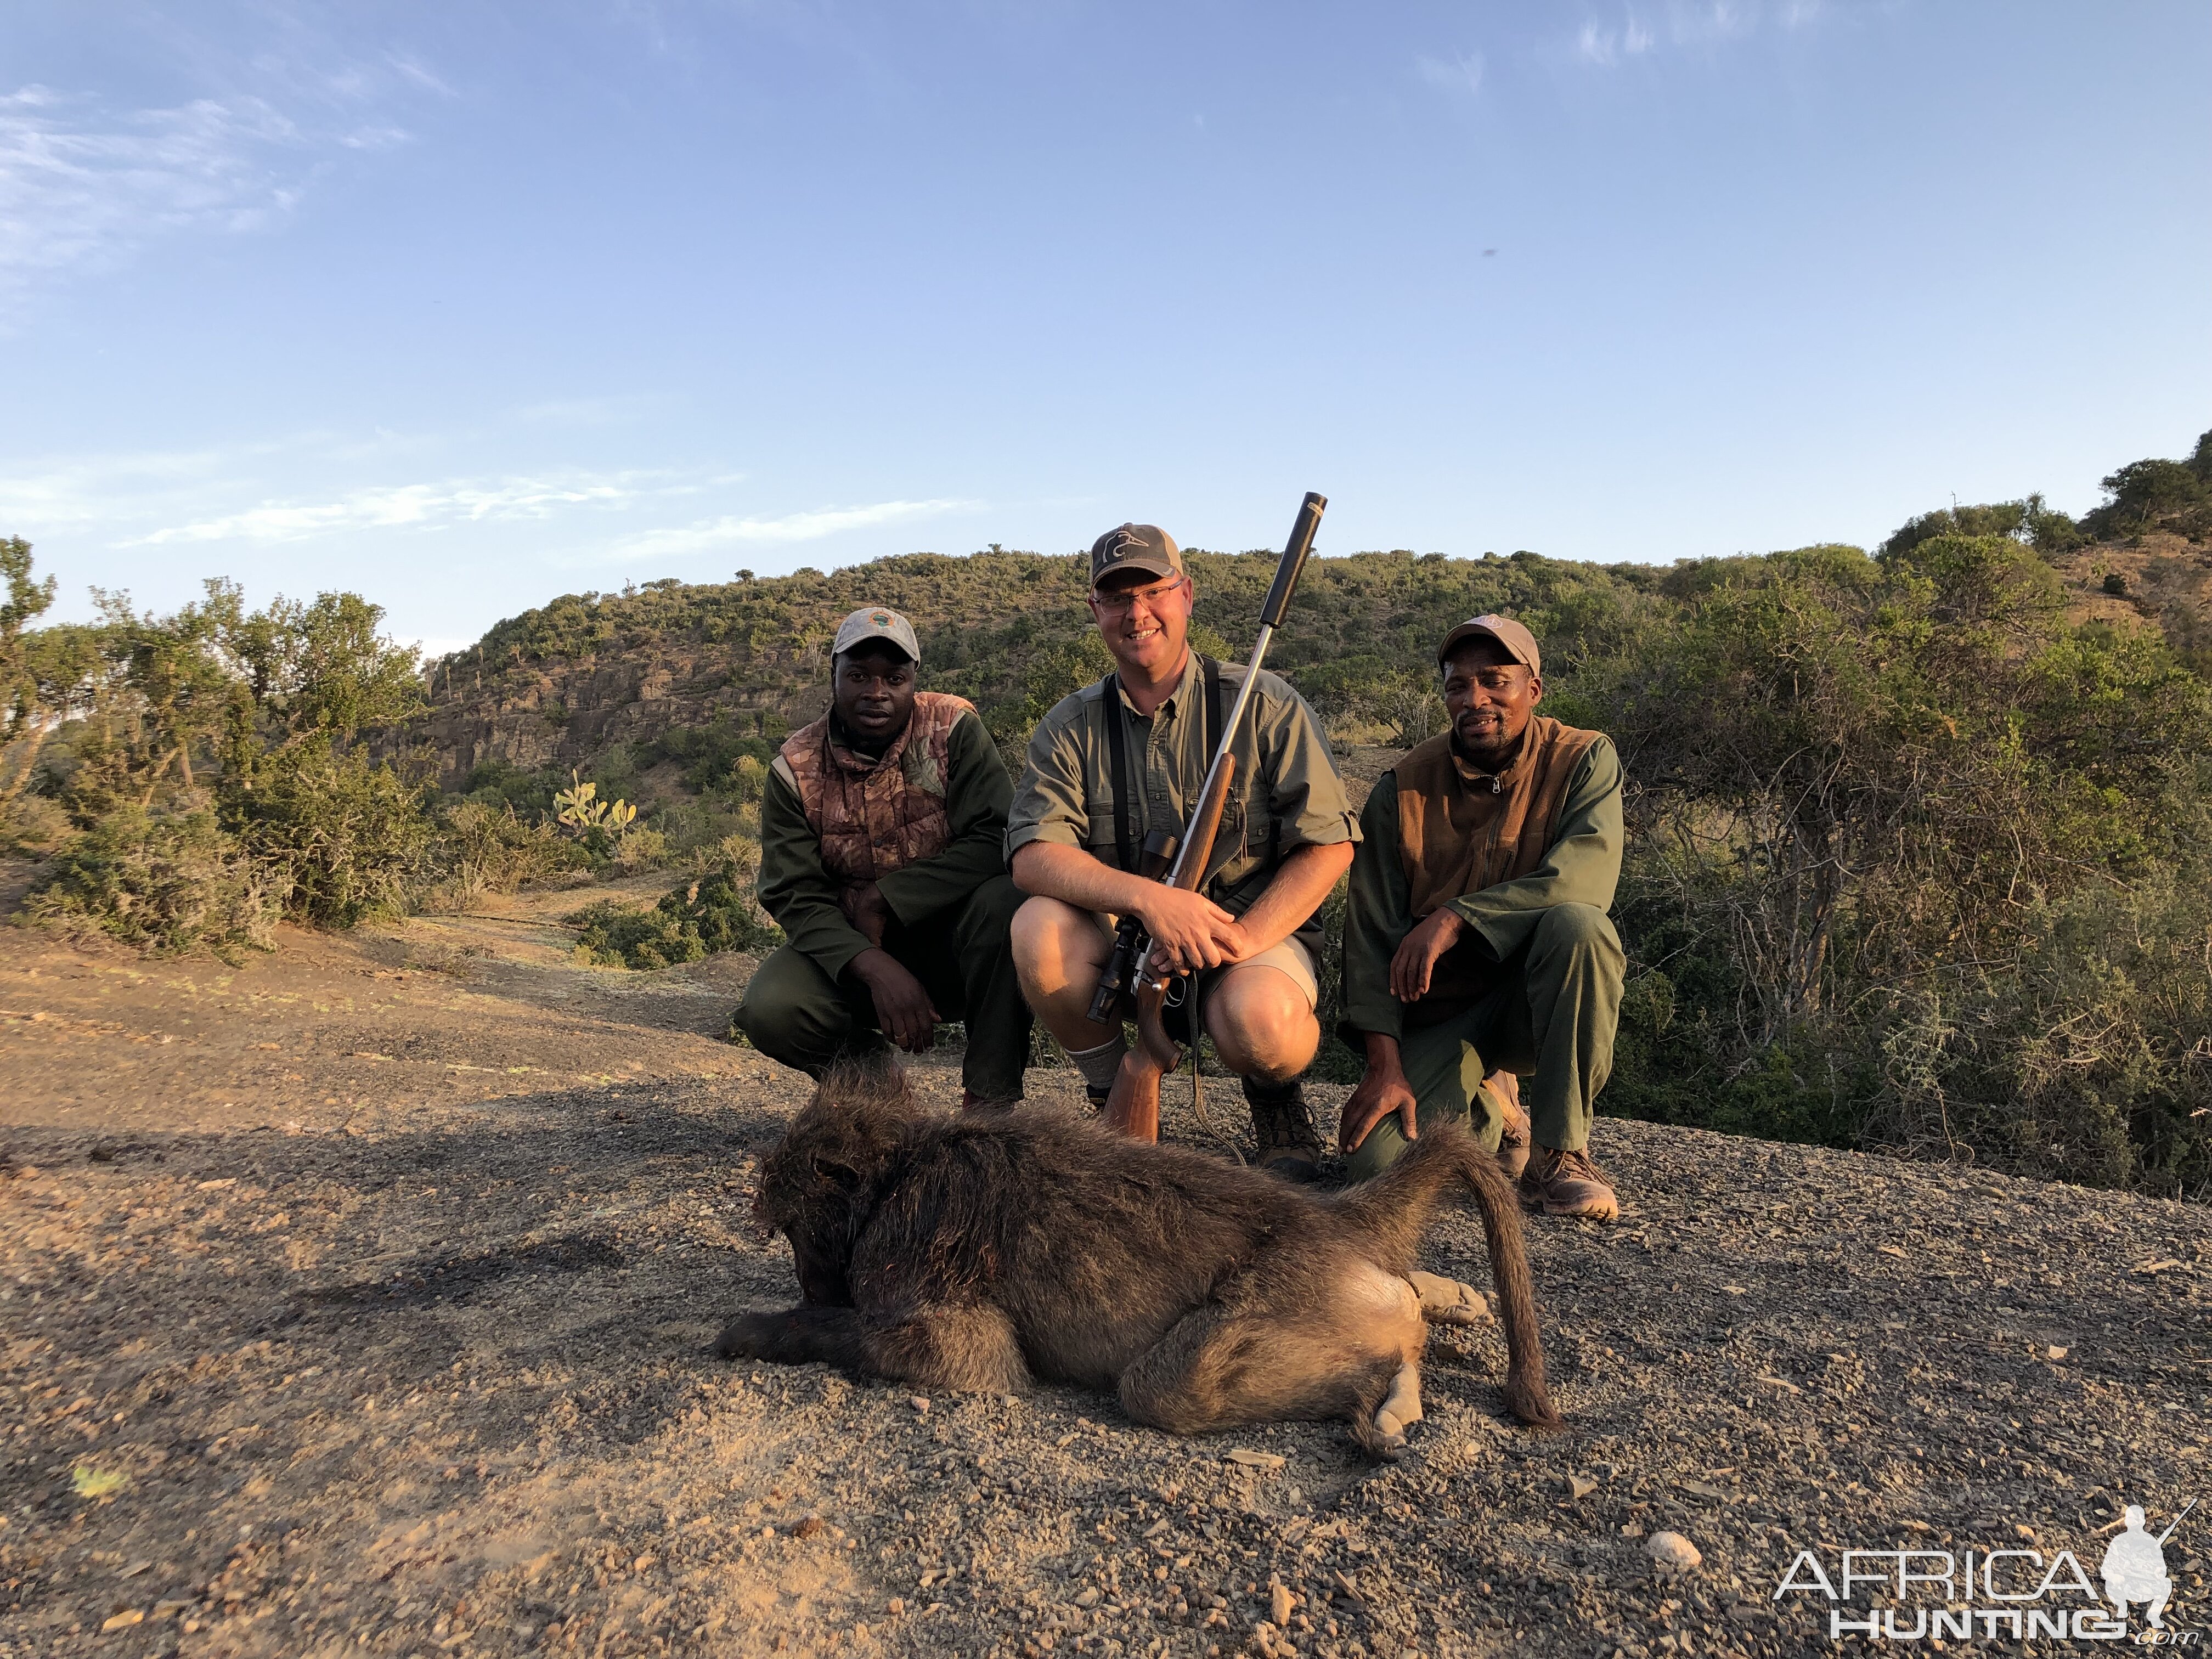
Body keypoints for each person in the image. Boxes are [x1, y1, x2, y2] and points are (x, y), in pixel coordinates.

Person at [1006, 523, 1358, 1180]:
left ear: (1186, 594)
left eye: (1153, 590)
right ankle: (1117, 1098)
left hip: (1251, 940)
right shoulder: (1070, 724)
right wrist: (1151, 901)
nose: (1137, 613)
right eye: (1116, 598)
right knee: (1037, 931)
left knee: (1263, 1026)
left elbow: (1331, 847)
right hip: (1135, 944)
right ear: (1095, 612)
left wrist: (1236, 938)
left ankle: (1275, 1099)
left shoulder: (1266, 705)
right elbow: (1032, 856)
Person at [1336, 614, 1627, 1219]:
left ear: (1534, 689)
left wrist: (1455, 918)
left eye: (1495, 681)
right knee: (1378, 1166)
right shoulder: (1402, 787)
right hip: (1446, 1012)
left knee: (1581, 928)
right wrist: (1384, 1065)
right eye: (1457, 686)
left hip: (1531, 1002)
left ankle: (1559, 1154)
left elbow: (1583, 880)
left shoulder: (1583, 759)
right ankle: (1493, 1101)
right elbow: (1369, 933)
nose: (1475, 700)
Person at [732, 606, 1031, 1107]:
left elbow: (997, 836)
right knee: (772, 1007)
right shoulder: (793, 769)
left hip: (957, 941)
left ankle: (990, 1105)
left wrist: (886, 898)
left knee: (1009, 903)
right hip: (855, 947)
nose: (877, 692)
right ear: (834, 677)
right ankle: (874, 1086)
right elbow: (794, 894)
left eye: (894, 678)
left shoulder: (953, 729)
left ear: (914, 680)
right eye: (859, 676)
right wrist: (872, 965)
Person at [2101, 1506, 2174, 1629]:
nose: (2135, 1521)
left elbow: (2162, 1568)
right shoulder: (2118, 1541)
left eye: (2138, 1518)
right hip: (2123, 1585)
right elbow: (2105, 1570)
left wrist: (2157, 1573)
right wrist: (2115, 1576)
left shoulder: (2151, 1542)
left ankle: (2154, 1615)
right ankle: (2122, 1610)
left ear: (2143, 1521)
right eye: (2131, 1518)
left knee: (2167, 1583)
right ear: (2127, 1521)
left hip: (2145, 1585)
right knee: (2111, 1583)